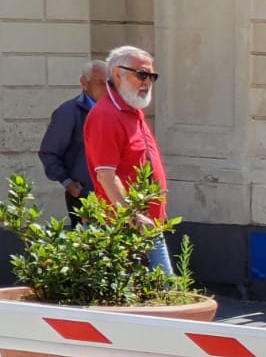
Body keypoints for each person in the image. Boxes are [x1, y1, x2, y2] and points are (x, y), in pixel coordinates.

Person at [84, 45, 173, 273]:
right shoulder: (106, 115)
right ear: (117, 74)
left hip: (147, 226)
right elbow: (105, 175)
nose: (147, 82)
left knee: (163, 296)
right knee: (158, 296)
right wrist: (132, 216)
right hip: (125, 229)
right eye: (141, 74)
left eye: (152, 76)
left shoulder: (132, 110)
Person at [38, 60, 108, 227]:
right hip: (84, 196)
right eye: (101, 83)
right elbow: (49, 152)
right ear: (85, 83)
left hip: (115, 197)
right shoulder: (69, 112)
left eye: (110, 84)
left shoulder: (116, 112)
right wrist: (67, 182)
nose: (107, 89)